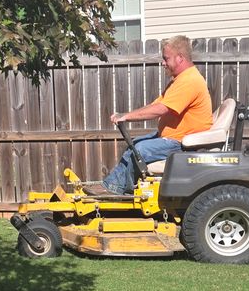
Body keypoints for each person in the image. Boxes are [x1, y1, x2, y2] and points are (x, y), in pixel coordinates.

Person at [88, 36, 214, 195]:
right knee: (135, 144)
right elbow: (157, 104)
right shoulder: (180, 80)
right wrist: (127, 115)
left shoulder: (190, 81)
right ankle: (114, 186)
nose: (163, 63)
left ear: (180, 58)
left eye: (166, 59)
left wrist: (126, 116)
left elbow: (161, 109)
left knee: (139, 150)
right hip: (174, 138)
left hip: (183, 144)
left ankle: (116, 189)